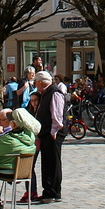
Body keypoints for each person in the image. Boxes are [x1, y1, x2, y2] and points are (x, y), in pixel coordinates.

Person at [0, 108, 39, 209]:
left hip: (8, 170)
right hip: (20, 171)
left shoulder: (10, 140)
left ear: (14, 124)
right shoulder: (30, 138)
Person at [32, 71, 67, 202]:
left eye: (36, 83)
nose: (35, 85)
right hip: (46, 133)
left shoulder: (55, 92)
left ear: (40, 82)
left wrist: (53, 131)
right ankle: (48, 190)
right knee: (47, 162)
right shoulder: (45, 93)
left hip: (53, 134)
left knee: (53, 162)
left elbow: (57, 115)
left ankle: (54, 191)